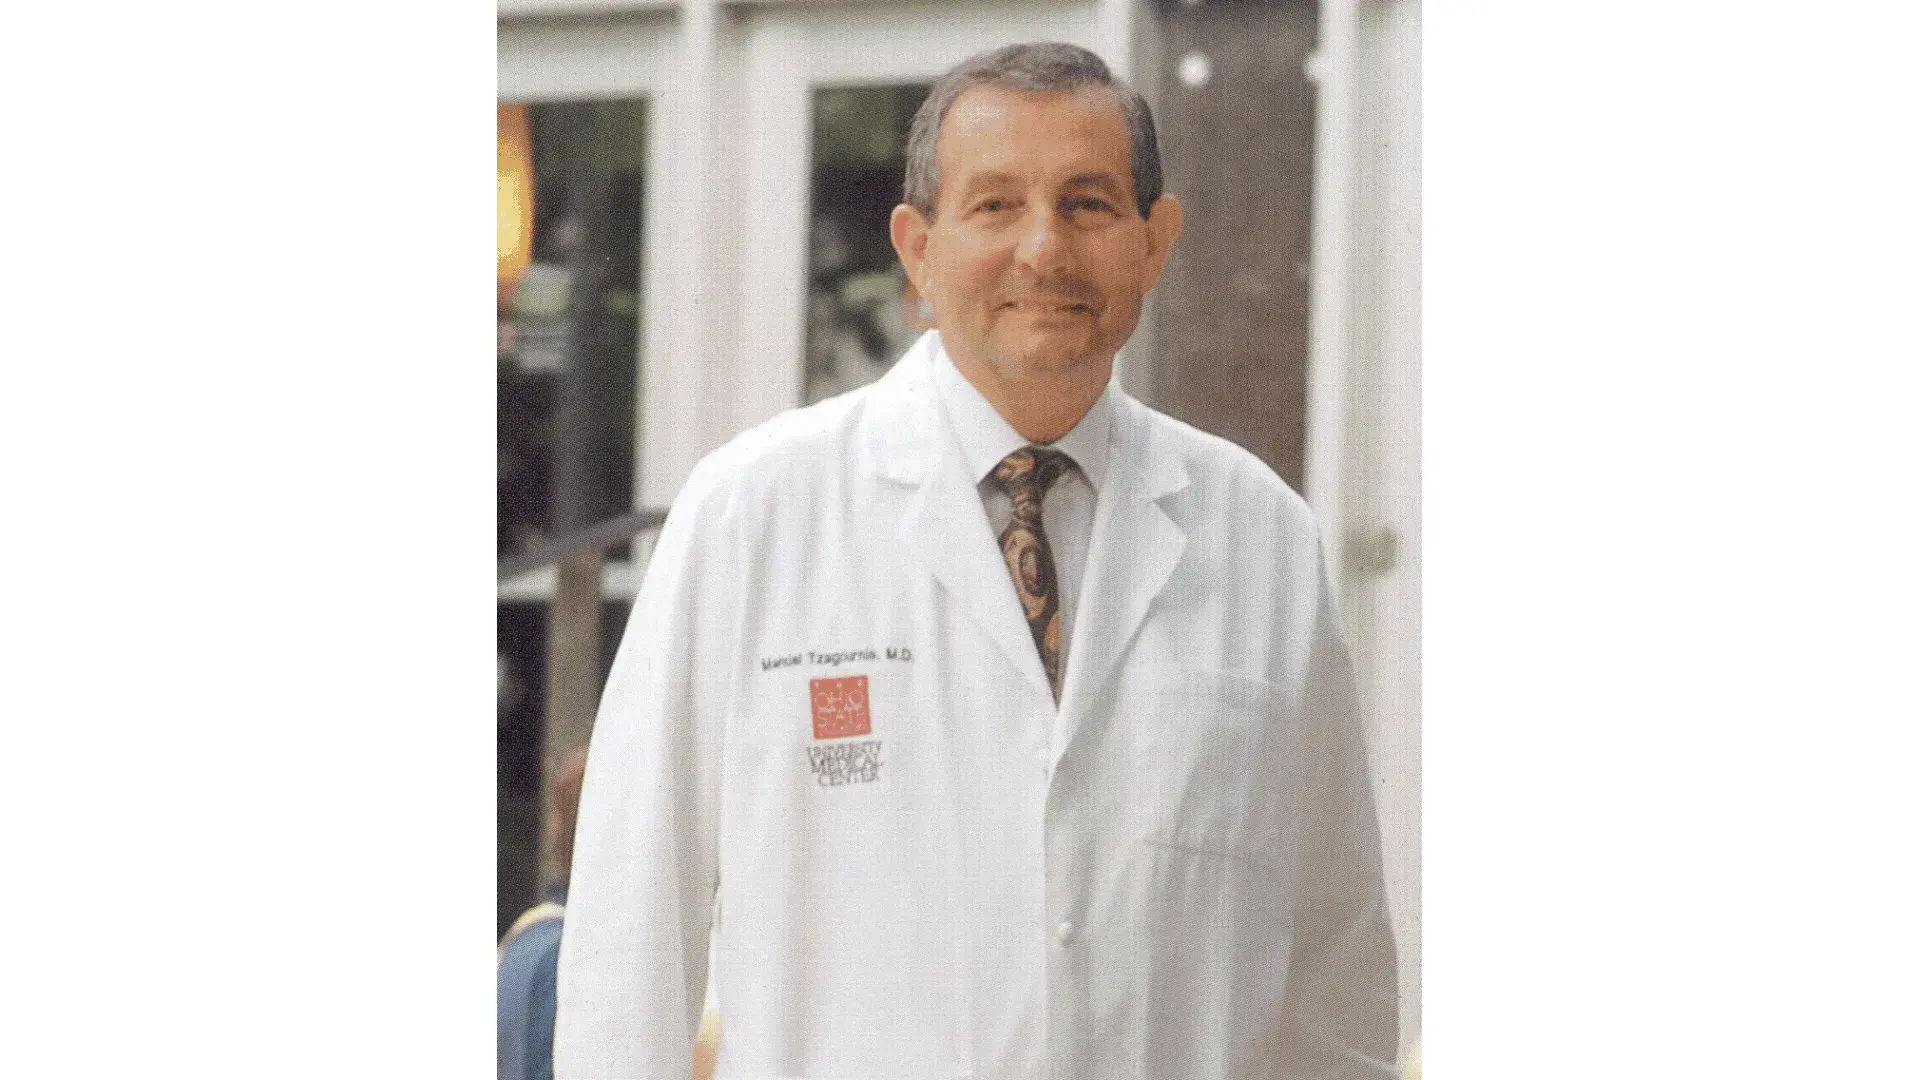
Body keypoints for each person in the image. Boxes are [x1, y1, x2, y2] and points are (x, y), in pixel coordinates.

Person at [555, 41, 1398, 1080]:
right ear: (917, 248)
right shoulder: (752, 517)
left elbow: (1336, 968)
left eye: (1088, 204)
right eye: (995, 205)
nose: (1044, 249)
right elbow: (629, 943)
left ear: (1155, 241)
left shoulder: (1263, 537)